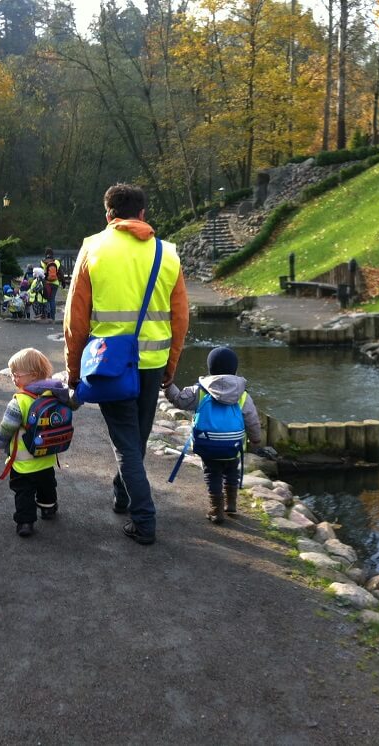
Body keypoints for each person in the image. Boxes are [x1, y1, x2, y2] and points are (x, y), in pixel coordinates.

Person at [64, 183, 189, 545]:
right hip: (152, 363)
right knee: (136, 439)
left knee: (126, 444)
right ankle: (122, 495)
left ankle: (144, 519)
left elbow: (75, 319)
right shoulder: (168, 253)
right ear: (143, 214)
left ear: (109, 215)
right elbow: (181, 319)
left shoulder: (93, 248)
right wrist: (170, 367)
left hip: (110, 364)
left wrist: (74, 373)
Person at [164, 346, 261, 523]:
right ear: (235, 369)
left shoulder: (199, 391)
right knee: (232, 471)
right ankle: (231, 503)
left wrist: (168, 385)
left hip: (207, 444)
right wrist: (255, 439)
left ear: (210, 368)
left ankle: (216, 510)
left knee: (213, 474)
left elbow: (179, 400)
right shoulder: (242, 395)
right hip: (233, 445)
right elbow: (252, 419)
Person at [0, 348, 80, 537]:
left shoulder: (19, 401)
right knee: (47, 485)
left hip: (23, 461)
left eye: (16, 374)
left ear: (32, 375)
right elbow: (74, 404)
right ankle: (48, 509)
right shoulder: (55, 394)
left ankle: (25, 522)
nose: (13, 378)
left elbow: (7, 427)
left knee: (23, 491)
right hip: (46, 456)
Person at [41, 249, 62, 322]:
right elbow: (60, 273)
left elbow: (40, 273)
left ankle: (47, 315)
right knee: (52, 299)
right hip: (55, 283)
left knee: (47, 299)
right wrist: (63, 282)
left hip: (46, 283)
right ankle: (53, 317)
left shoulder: (42, 262)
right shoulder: (57, 262)